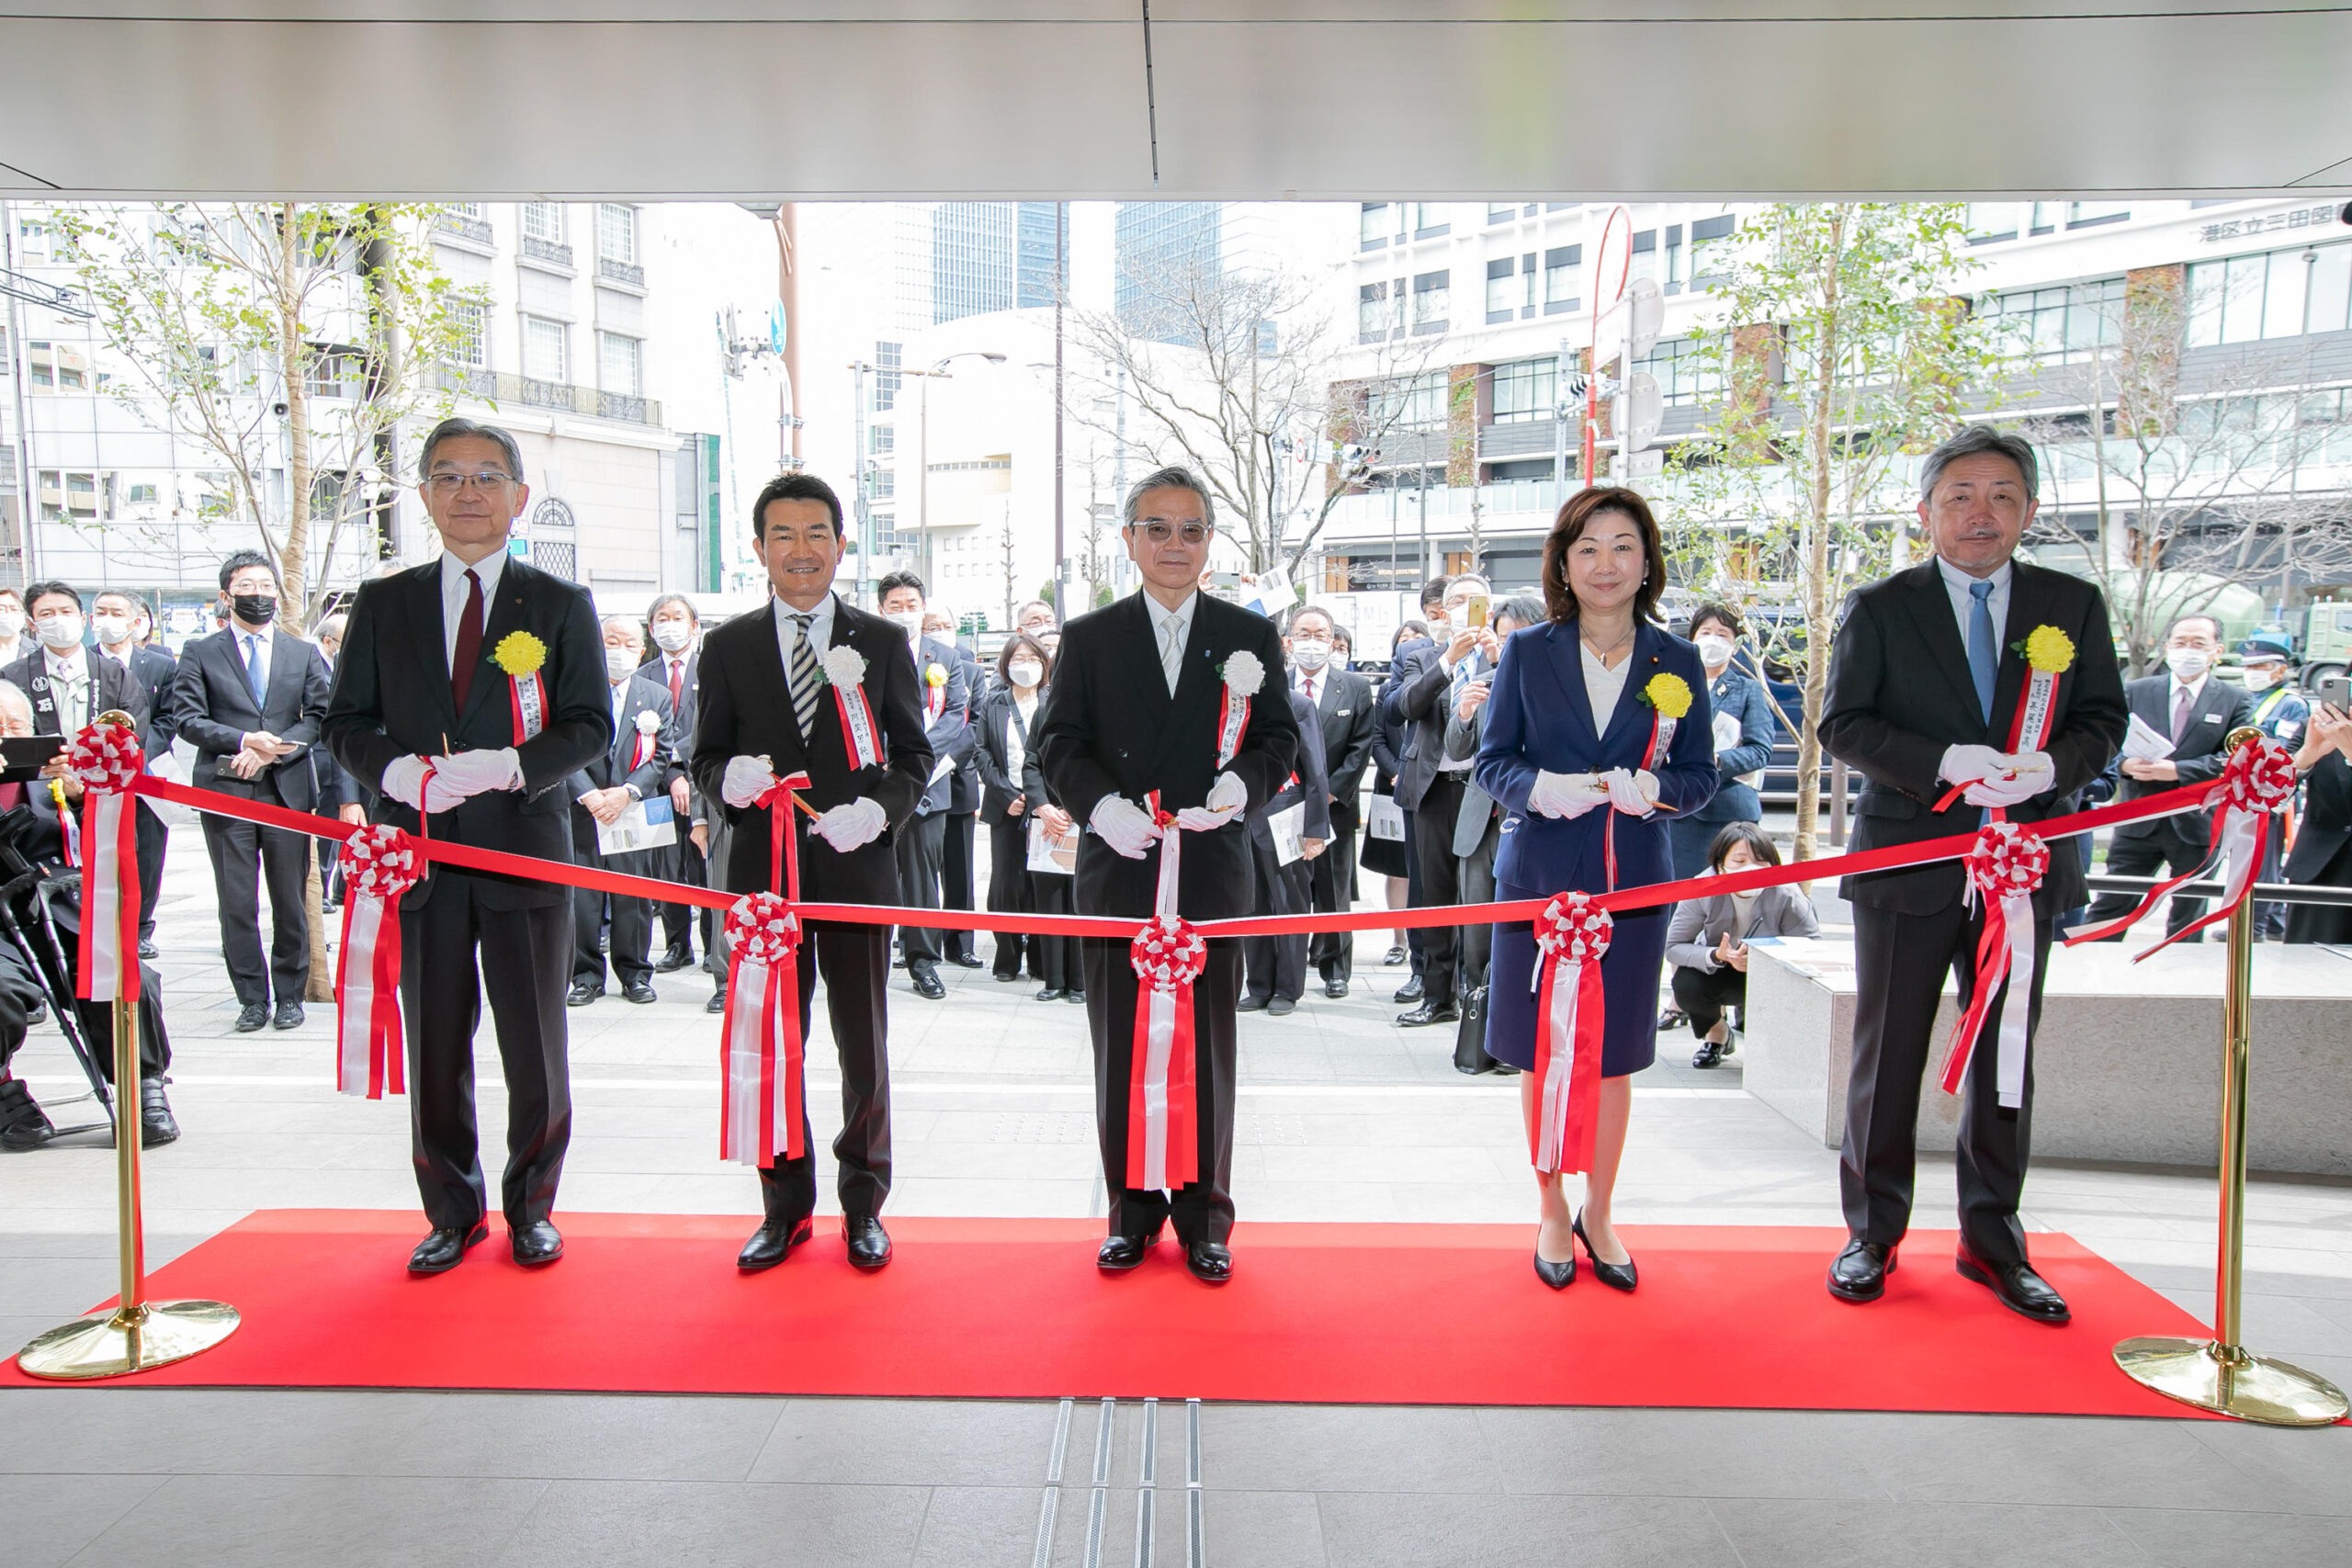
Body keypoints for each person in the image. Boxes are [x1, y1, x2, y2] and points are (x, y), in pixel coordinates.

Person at [1818, 423, 2127, 1321]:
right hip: (1909, 862)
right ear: (1927, 511)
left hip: (2025, 865)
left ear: (2028, 511)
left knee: (2006, 1055)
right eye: (1960, 496)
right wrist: (1943, 763)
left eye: (2001, 496)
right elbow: (1843, 724)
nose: (1980, 513)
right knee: (1888, 1052)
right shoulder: (1881, 605)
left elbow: (2102, 719)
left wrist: (2050, 768)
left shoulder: (2071, 604)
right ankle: (1871, 1233)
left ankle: (1992, 1241)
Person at [322, 416, 611, 1276]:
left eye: (487, 476)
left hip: (524, 852)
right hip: (419, 859)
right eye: (448, 476)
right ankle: (451, 1211)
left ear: (518, 497)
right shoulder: (386, 602)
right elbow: (344, 721)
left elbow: (589, 723)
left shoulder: (559, 603)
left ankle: (532, 1208)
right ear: (423, 496)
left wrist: (513, 765)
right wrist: (395, 772)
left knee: (535, 1046)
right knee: (436, 1043)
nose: (468, 492)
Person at [1035, 465, 1298, 1284]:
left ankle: (1206, 1216)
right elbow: (1057, 743)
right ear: (1129, 539)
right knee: (1121, 1043)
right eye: (1157, 527)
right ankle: (1131, 1211)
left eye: (1190, 529)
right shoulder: (1090, 636)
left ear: (1209, 540)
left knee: (1208, 1045)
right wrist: (1097, 805)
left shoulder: (1249, 634)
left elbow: (1279, 739)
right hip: (1121, 868)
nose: (1174, 544)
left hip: (1212, 868)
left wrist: (1243, 787)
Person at [692, 472, 933, 1272]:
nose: (801, 549)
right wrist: (724, 779)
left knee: (863, 1046)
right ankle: (784, 1206)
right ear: (759, 548)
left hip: (857, 872)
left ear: (841, 543)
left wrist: (879, 811)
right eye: (784, 535)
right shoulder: (727, 646)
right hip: (766, 881)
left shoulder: (882, 641)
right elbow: (705, 754)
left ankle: (864, 1203)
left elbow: (913, 756)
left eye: (817, 533)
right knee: (775, 1043)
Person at [1476, 489, 1716, 1292]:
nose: (1605, 563)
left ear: (1647, 561)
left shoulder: (1678, 660)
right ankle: (1550, 1207)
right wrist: (1539, 788)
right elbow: (1492, 761)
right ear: (1563, 562)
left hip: (1632, 885)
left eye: (1622, 546)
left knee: (1613, 1056)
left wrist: (1656, 790)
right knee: (1541, 1049)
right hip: (1540, 883)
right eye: (1588, 547)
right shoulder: (1527, 652)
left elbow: (1701, 774)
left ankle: (1599, 1210)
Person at [0, 678, 181, 1149]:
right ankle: (3, 1091)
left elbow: (107, 845)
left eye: (15, 726)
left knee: (123, 972)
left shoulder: (54, 777)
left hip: (52, 907)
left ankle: (142, 1084)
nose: (6, 735)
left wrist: (83, 798)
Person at [172, 550, 334, 1032]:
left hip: (286, 791)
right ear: (227, 596)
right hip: (226, 791)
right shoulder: (200, 652)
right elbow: (187, 719)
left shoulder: (301, 652)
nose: (258, 595)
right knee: (237, 900)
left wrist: (272, 750)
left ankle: (290, 996)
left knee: (290, 899)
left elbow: (319, 717)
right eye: (246, 587)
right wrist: (244, 740)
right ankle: (251, 998)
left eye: (265, 586)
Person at [2080, 614, 2253, 942]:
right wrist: (2124, 765)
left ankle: (2181, 974)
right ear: (2168, 646)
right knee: (2111, 906)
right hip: (2138, 819)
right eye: (2181, 642)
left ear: (2217, 650)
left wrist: (2179, 771)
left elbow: (2240, 758)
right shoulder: (2137, 691)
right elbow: (2106, 740)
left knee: (2189, 916)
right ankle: (2089, 967)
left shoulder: (2235, 699)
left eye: (2198, 643)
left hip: (2198, 824)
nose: (2188, 650)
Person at [1388, 574, 1498, 1027]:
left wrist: (1499, 656)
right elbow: (1403, 707)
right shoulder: (1420, 655)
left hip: (1485, 793)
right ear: (1442, 611)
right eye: (1457, 601)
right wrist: (1449, 660)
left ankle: (1480, 995)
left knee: (1480, 895)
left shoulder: (1506, 653)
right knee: (1433, 894)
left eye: (1475, 601)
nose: (1464, 608)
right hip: (1433, 789)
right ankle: (1437, 996)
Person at [1442, 592, 1544, 1074]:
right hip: (1479, 825)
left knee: (1521, 938)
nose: (1507, 646)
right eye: (1502, 637)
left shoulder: (1553, 690)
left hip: (1530, 827)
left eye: (1518, 637)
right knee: (1477, 937)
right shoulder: (1481, 683)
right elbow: (1456, 747)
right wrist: (1463, 713)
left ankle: (1516, 1040)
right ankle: (1481, 1034)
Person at [566, 615, 677, 1007]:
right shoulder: (575, 689)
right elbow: (562, 745)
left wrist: (627, 792)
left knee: (634, 897)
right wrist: (588, 794)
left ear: (642, 650)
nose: (621, 650)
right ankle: (585, 976)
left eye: (630, 644)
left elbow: (661, 755)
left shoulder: (656, 695)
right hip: (585, 810)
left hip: (631, 811)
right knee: (583, 897)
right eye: (612, 642)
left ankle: (635, 974)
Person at [875, 571, 970, 1000]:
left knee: (921, 879)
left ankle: (923, 963)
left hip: (927, 786)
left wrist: (915, 759)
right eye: (895, 605)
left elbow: (956, 714)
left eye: (911, 605)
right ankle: (872, 959)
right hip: (876, 784)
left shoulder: (945, 657)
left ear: (923, 607)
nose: (905, 612)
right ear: (881, 609)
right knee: (874, 876)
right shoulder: (868, 651)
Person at [1664, 823, 1819, 1068]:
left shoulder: (1787, 893)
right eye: (1739, 861)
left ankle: (1777, 1046)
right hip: (1719, 969)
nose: (1751, 868)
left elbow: (1812, 947)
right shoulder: (1702, 888)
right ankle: (1718, 1036)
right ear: (1720, 866)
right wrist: (1716, 955)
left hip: (1772, 972)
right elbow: (1674, 947)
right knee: (1686, 984)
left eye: (1761, 861)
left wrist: (1767, 958)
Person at [1288, 605, 1374, 999]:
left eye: (1320, 635)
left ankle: (1336, 968)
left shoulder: (1354, 687)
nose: (1312, 642)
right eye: (1303, 634)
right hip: (1283, 804)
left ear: (1331, 639)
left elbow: (1360, 747)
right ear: (1289, 640)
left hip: (1334, 806)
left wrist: (1329, 791)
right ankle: (1284, 969)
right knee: (1286, 890)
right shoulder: (1274, 683)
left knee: (1333, 889)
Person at [972, 632, 1059, 995]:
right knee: (1006, 885)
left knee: (1042, 883)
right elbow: (981, 752)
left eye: (1033, 658)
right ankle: (1007, 957)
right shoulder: (994, 702)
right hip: (1007, 807)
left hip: (1047, 809)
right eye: (1018, 659)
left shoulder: (1055, 699)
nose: (1026, 665)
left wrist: (1043, 799)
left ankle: (1041, 959)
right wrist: (1006, 794)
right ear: (1006, 666)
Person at [93, 589, 178, 958]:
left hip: (146, 772)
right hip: (95, 776)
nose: (108, 619)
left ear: (136, 621)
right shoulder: (86, 662)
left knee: (148, 853)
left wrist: (137, 753)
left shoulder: (160, 665)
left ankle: (141, 927)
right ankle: (100, 923)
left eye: (117, 612)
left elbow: (169, 717)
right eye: (101, 612)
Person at [1239, 683, 1330, 1015]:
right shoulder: (1232, 701)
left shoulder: (1298, 704)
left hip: (1287, 814)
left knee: (1290, 902)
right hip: (1242, 817)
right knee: (1253, 904)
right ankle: (1259, 984)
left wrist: (1316, 829)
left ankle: (1288, 988)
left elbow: (1315, 767)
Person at [1669, 604, 1778, 881]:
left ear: (1735, 644)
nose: (1713, 640)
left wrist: (1717, 760)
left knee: (1728, 896)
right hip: (1679, 810)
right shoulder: (1670, 686)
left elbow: (1760, 750)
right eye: (1706, 632)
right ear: (1692, 639)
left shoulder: (1748, 690)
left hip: (1728, 812)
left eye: (1722, 634)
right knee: (1679, 896)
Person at [643, 593, 705, 973]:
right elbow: (639, 739)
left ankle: (714, 948)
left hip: (703, 784)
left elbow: (711, 725)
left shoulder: (711, 668)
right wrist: (671, 774)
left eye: (677, 617)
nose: (670, 624)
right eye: (662, 618)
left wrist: (683, 768)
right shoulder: (643, 675)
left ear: (694, 626)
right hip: (658, 784)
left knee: (706, 866)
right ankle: (677, 944)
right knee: (668, 868)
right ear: (652, 629)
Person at [5, 581, 149, 742]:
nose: (58, 619)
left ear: (83, 619)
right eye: (47, 614)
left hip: (101, 759)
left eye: (66, 612)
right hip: (41, 759)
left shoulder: (116, 674)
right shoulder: (11, 678)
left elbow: (136, 734)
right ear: (32, 624)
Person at [1362, 619, 1424, 975]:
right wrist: (1396, 773)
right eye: (1404, 639)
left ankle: (1424, 940)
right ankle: (1399, 940)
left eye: (1417, 638)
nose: (1410, 644)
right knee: (1397, 869)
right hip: (1392, 786)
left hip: (1428, 790)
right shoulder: (1387, 690)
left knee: (1425, 869)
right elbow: (1377, 738)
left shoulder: (1440, 683)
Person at [2238, 634, 2309, 939]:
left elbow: (2288, 749)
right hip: (2243, 790)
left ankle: (2257, 924)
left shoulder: (2291, 704)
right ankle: (2272, 921)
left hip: (2271, 791)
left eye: (2261, 666)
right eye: (2249, 666)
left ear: (2280, 669)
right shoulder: (2247, 698)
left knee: (2264, 861)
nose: (2252, 672)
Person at [928, 606, 987, 970]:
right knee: (918, 870)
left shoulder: (972, 671)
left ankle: (961, 942)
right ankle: (917, 939)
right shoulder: (907, 667)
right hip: (920, 784)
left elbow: (976, 723)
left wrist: (946, 761)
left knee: (960, 868)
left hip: (957, 779)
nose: (940, 630)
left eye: (946, 625)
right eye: (932, 625)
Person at [2284, 701, 2352, 946]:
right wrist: (2305, 757)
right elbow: (2266, 796)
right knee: (2306, 962)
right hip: (2321, 866)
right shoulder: (2315, 727)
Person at [0, 587, 27, 670]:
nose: (8, 614)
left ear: (23, 614)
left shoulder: (38, 651)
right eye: (1, 609)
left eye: (14, 609)